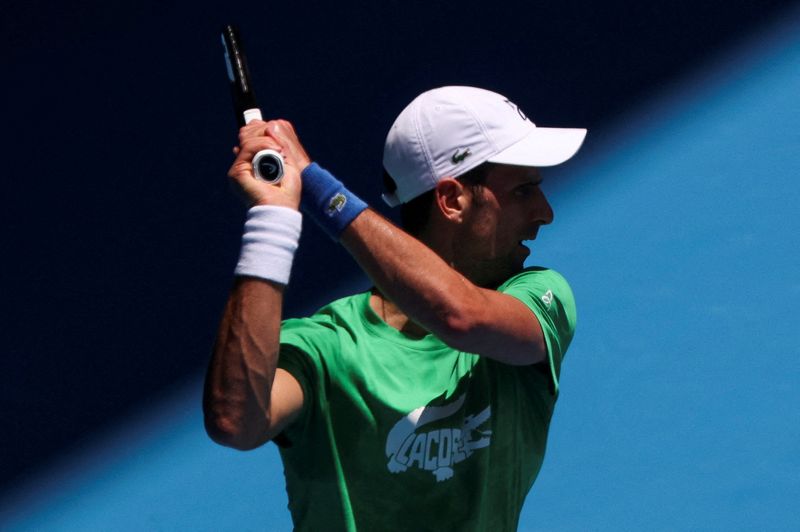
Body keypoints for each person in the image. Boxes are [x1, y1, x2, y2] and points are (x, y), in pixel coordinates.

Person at [203, 86, 587, 531]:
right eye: (523, 191)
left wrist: (318, 187)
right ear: (452, 200)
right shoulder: (326, 347)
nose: (545, 212)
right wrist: (272, 218)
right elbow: (235, 420)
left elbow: (461, 317)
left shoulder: (541, 296)